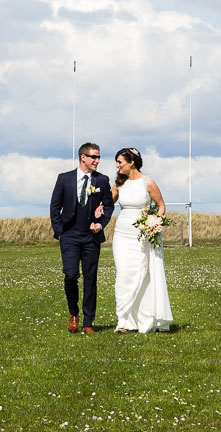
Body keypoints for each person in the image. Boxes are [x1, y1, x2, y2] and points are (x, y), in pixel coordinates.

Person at [50, 142, 114, 334]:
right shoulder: (64, 179)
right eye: (94, 157)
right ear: (82, 157)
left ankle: (88, 322)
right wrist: (60, 231)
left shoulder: (102, 180)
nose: (97, 161)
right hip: (69, 236)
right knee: (70, 275)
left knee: (90, 278)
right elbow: (55, 207)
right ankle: (73, 313)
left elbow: (109, 206)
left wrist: (100, 223)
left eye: (99, 157)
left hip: (91, 238)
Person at [110, 147, 173, 333]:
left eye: (120, 161)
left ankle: (144, 320)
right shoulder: (119, 183)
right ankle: (124, 321)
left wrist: (154, 223)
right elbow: (107, 203)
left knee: (142, 273)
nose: (117, 165)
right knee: (123, 273)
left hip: (142, 234)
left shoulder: (148, 183)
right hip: (121, 234)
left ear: (131, 162)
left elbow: (161, 206)